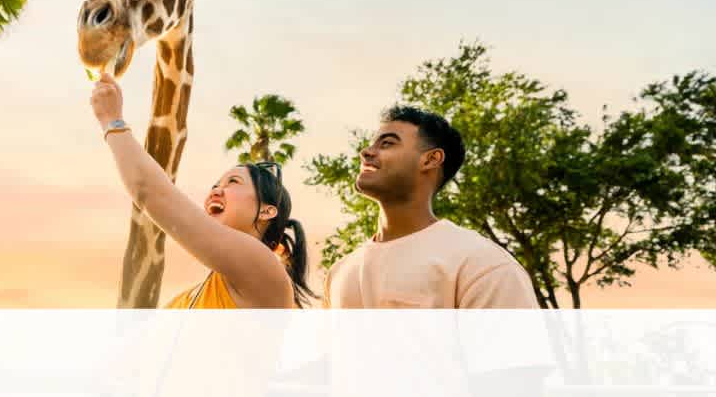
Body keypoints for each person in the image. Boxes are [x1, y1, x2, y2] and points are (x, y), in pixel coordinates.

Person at [90, 73, 317, 308]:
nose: (217, 191)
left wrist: (112, 121)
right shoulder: (181, 301)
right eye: (215, 185)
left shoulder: (263, 268)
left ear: (267, 212)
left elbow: (150, 191)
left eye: (233, 183)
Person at [323, 105, 538, 309]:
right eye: (371, 144)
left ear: (431, 159)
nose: (366, 152)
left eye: (387, 143)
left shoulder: (482, 264)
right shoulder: (339, 273)